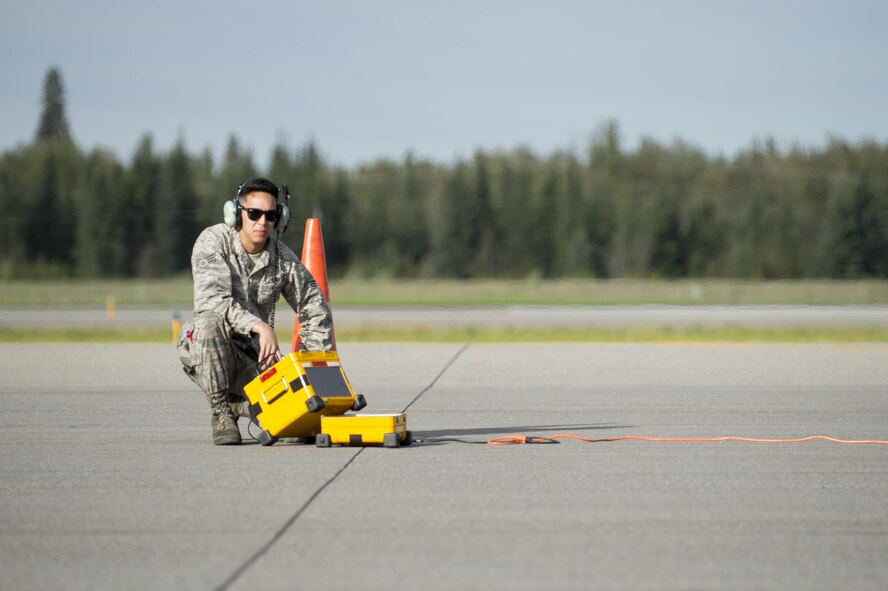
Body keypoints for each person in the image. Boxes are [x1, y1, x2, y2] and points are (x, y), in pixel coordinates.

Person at [177, 177, 333, 445]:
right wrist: (259, 326)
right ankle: (222, 411)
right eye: (254, 213)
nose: (262, 222)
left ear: (279, 219)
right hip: (209, 348)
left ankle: (243, 403)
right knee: (207, 323)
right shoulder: (212, 242)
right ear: (236, 214)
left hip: (254, 358)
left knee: (295, 426)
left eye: (270, 215)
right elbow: (212, 301)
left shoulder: (281, 259)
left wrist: (311, 366)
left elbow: (315, 306)